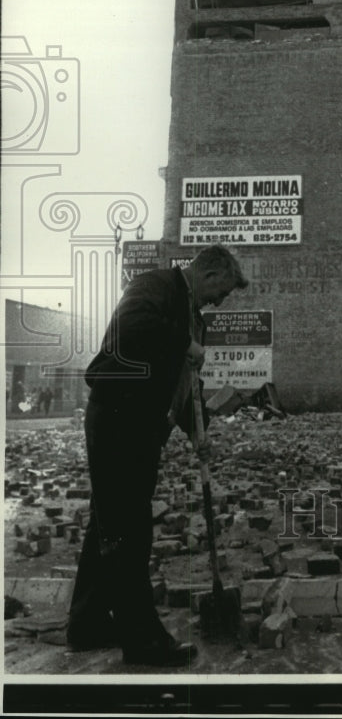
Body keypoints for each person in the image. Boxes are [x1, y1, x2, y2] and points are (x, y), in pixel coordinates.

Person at [66, 245, 248, 667]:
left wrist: (196, 433)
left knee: (108, 523)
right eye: (222, 291)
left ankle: (87, 623)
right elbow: (129, 328)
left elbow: (183, 385)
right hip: (117, 416)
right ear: (209, 273)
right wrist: (184, 341)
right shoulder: (153, 286)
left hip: (142, 426)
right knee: (129, 527)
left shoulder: (193, 316)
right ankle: (143, 640)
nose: (221, 301)